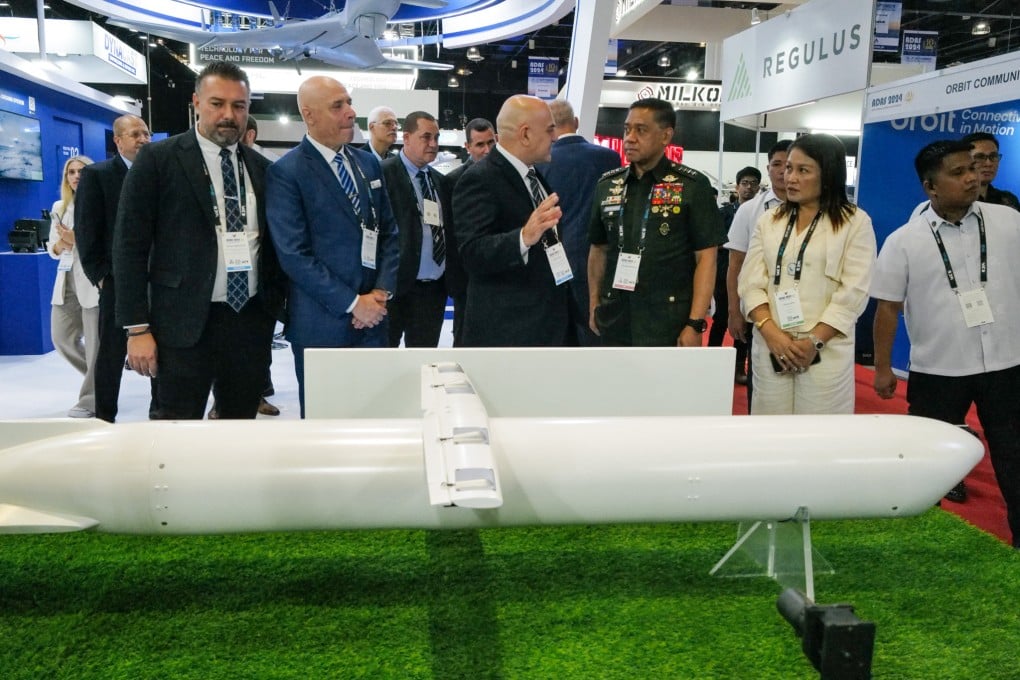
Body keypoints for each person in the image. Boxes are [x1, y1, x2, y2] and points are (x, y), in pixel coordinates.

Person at [114, 60, 286, 420]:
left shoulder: (263, 170)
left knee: (238, 426)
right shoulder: (157, 160)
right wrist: (137, 328)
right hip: (181, 325)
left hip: (248, 323)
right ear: (196, 103)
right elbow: (129, 247)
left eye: (239, 106)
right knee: (175, 432)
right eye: (217, 103)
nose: (229, 115)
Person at [871, 139, 1020, 548]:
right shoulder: (904, 240)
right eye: (958, 173)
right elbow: (887, 309)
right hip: (939, 369)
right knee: (929, 461)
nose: (972, 177)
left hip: (1007, 363)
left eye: (972, 167)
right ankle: (923, 541)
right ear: (930, 187)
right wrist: (883, 368)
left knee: (1014, 456)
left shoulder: (1008, 222)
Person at [266, 75, 399, 414]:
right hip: (321, 326)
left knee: (376, 416)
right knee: (326, 425)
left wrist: (380, 293)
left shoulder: (368, 163)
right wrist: (354, 303)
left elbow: (388, 234)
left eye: (349, 103)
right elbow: (294, 256)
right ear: (309, 115)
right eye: (338, 106)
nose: (351, 113)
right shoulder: (287, 172)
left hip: (375, 321)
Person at [738, 134, 876, 414]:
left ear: (828, 175)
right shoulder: (769, 221)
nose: (790, 178)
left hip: (825, 350)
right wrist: (772, 334)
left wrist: (813, 341)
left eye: (803, 170)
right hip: (771, 345)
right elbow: (750, 284)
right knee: (770, 433)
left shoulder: (855, 222)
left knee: (819, 439)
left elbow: (854, 292)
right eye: (788, 168)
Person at [587, 97, 724, 347]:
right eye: (627, 129)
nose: (630, 138)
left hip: (668, 318)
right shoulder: (607, 185)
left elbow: (706, 258)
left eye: (641, 130)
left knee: (667, 387)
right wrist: (594, 303)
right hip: (615, 313)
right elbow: (598, 249)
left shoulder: (691, 186)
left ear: (665, 136)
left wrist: (695, 323)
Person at [452, 94, 569, 347]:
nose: (555, 137)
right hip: (509, 331)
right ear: (525, 134)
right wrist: (524, 237)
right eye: (550, 130)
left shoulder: (533, 174)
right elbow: (472, 253)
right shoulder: (480, 178)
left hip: (544, 322)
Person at [75, 114, 156, 423]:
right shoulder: (98, 176)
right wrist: (101, 278)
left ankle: (159, 415)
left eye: (146, 133)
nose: (143, 139)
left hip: (157, 280)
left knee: (160, 349)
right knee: (111, 353)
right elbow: (86, 231)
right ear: (118, 141)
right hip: (116, 282)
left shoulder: (158, 172)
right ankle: (104, 415)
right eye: (135, 134)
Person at [537, 99, 621, 346]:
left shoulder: (542, 163)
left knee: (557, 336)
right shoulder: (610, 159)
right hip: (599, 261)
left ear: (550, 127)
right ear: (575, 122)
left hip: (553, 261)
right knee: (595, 333)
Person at [726, 140, 791, 409]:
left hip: (802, 314)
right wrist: (734, 310)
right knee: (762, 384)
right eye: (777, 165)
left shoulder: (820, 210)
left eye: (790, 165)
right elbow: (735, 264)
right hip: (759, 311)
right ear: (769, 168)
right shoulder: (750, 210)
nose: (784, 172)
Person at [382, 111, 455, 347]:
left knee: (424, 362)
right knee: (385, 359)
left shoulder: (439, 181)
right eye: (426, 137)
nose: (433, 144)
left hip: (432, 290)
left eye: (436, 137)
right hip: (394, 289)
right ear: (407, 138)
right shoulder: (383, 174)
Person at [47, 155, 98, 418]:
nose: (76, 176)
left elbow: (103, 244)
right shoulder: (59, 205)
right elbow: (53, 248)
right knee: (61, 337)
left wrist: (74, 239)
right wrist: (61, 244)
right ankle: (103, 378)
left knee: (95, 344)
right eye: (71, 172)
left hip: (92, 281)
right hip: (66, 279)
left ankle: (91, 399)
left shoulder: (102, 202)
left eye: (81, 171)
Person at [444, 117, 495, 346]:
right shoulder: (453, 181)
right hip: (465, 279)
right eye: (480, 145)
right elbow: (451, 236)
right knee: (465, 339)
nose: (486, 150)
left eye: (491, 143)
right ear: (467, 147)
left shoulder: (505, 178)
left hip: (498, 275)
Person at [710, 165, 761, 380]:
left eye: (753, 184)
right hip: (724, 275)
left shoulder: (763, 213)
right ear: (737, 187)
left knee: (745, 322)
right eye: (745, 183)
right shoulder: (724, 213)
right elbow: (714, 240)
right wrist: (735, 244)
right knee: (722, 318)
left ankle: (740, 367)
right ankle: (711, 363)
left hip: (750, 275)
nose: (748, 188)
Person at [959, 132, 1019, 210]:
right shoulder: (955, 200)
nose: (988, 163)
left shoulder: (1008, 201)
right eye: (980, 157)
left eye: (993, 156)